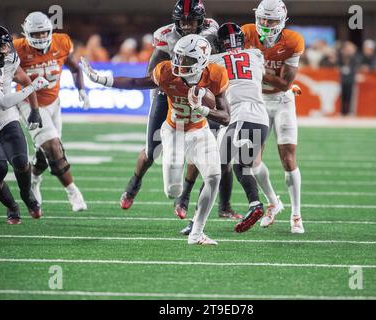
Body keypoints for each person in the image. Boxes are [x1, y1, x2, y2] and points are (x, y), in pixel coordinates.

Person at [81, 34, 230, 245]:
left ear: (202, 61)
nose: (179, 63)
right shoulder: (167, 71)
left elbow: (225, 117)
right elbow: (135, 82)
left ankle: (197, 233)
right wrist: (101, 79)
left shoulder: (216, 74)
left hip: (200, 131)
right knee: (173, 191)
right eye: (178, 57)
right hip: (173, 130)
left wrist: (202, 108)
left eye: (186, 60)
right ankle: (176, 195)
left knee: (214, 177)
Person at [117, 0, 229, 218]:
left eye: (191, 20)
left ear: (202, 20)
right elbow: (152, 72)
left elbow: (219, 60)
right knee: (153, 150)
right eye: (183, 21)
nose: (186, 25)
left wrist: (207, 91)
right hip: (169, 93)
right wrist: (173, 82)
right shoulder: (166, 35)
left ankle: (184, 196)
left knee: (200, 147)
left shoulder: (213, 31)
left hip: (199, 93)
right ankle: (134, 184)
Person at [180, 23, 273, 235]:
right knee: (242, 166)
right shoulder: (256, 54)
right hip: (261, 116)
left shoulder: (214, 61)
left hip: (238, 116)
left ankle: (195, 222)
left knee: (214, 170)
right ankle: (255, 205)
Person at [14, 11, 90, 212]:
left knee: (45, 152)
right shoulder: (17, 49)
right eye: (36, 34)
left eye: (43, 33)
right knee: (54, 147)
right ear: (26, 33)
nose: (40, 37)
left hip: (54, 102)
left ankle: (34, 179)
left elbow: (74, 67)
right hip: (28, 103)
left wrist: (81, 90)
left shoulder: (62, 42)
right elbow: (4, 78)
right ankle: (73, 192)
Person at [242, 0, 305, 233]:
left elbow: (285, 83)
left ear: (283, 21)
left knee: (288, 159)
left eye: (272, 20)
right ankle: (272, 202)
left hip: (282, 101)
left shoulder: (293, 41)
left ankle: (296, 215)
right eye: (263, 19)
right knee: (252, 160)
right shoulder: (246, 33)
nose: (266, 24)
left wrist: (258, 68)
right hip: (257, 100)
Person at [0, 24, 48, 224]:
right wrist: (34, 87)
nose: (7, 49)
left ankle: (26, 195)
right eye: (2, 45)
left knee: (16, 161)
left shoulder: (1, 61)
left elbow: (21, 81)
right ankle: (11, 206)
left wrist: (35, 111)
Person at [338, 41, 359, 116]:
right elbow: (338, 65)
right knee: (343, 97)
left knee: (350, 97)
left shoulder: (353, 58)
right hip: (343, 80)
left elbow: (355, 66)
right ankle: (342, 111)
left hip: (350, 80)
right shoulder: (341, 57)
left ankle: (350, 112)